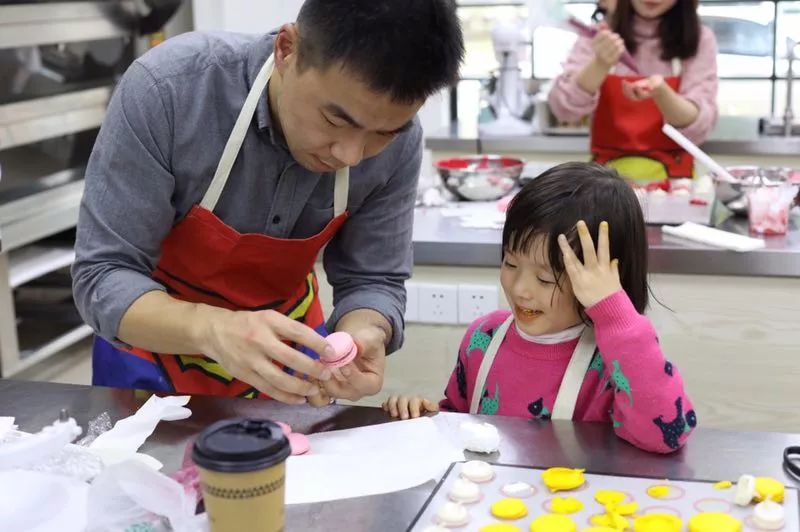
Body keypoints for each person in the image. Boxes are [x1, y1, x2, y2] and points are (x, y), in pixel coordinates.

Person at [72, 0, 464, 403]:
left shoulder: (401, 144)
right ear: (286, 49)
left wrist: (366, 330)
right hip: (148, 360)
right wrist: (211, 328)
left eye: (382, 133)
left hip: (289, 361)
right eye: (335, 120)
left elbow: (374, 279)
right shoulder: (170, 90)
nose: (350, 154)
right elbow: (103, 273)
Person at [383, 162, 696, 453]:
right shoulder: (485, 338)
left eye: (545, 279)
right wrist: (430, 419)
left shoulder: (614, 360)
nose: (520, 289)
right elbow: (463, 424)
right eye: (510, 263)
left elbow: (665, 436)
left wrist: (616, 314)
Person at [548, 0, 718, 182]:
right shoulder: (599, 36)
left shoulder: (700, 39)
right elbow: (564, 111)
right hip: (606, 185)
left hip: (677, 185)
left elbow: (701, 126)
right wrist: (600, 64)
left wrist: (662, 94)